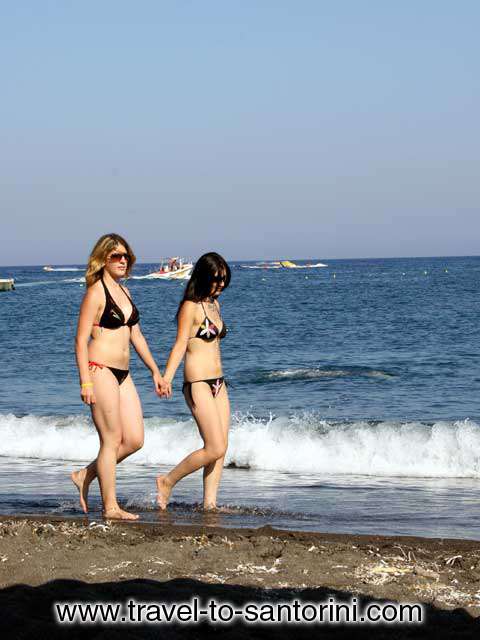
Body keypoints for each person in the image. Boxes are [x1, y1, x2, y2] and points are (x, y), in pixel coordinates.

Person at [71, 233, 168, 520]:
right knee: (111, 439)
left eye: (126, 256)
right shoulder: (95, 293)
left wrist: (155, 370)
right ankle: (110, 507)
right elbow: (79, 341)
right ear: (102, 259)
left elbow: (136, 334)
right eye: (116, 256)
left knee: (135, 439)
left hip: (124, 373)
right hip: (99, 369)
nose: (123, 260)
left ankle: (85, 474)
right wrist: (85, 382)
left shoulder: (125, 292)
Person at [156, 252, 231, 511]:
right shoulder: (191, 306)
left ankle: (209, 503)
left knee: (222, 447)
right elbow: (179, 345)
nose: (221, 284)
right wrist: (166, 377)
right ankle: (167, 481)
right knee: (214, 446)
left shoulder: (215, 305)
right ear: (203, 276)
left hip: (219, 383)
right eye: (216, 279)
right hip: (197, 383)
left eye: (224, 279)